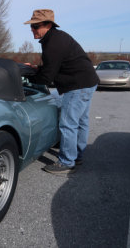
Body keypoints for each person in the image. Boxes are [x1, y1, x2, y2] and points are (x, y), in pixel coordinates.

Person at [24, 9, 99, 174]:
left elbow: (46, 77)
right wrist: (38, 69)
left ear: (48, 25)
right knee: (80, 122)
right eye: (32, 26)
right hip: (87, 81)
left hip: (77, 85)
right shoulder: (56, 38)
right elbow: (55, 66)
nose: (33, 29)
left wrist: (30, 78)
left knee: (68, 124)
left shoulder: (53, 43)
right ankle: (77, 156)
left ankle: (66, 162)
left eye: (36, 26)